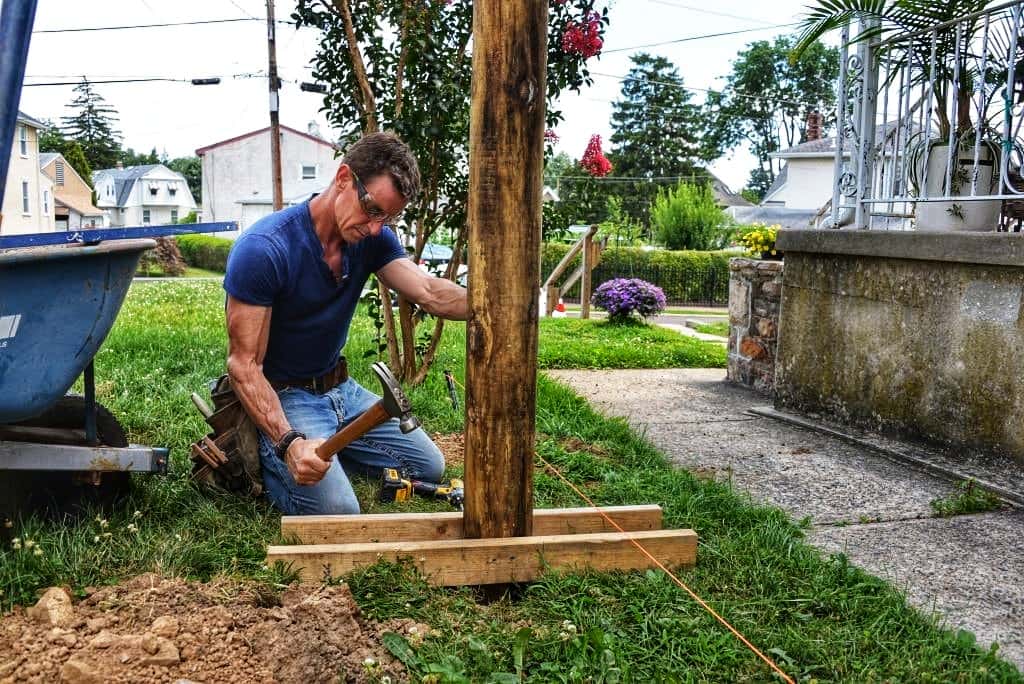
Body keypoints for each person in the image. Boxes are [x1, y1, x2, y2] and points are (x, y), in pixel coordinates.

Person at [223, 132, 467, 515]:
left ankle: (330, 456)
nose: (375, 228)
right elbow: (243, 366)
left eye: (387, 217)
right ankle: (274, 460)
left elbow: (428, 292)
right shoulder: (264, 250)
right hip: (286, 398)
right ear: (342, 179)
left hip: (343, 392)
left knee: (428, 467)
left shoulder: (371, 239)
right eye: (371, 209)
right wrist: (289, 443)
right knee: (339, 512)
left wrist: (497, 304)